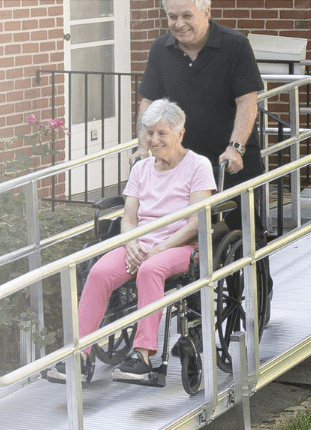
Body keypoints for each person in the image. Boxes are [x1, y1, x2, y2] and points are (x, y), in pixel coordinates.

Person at [48, 99, 216, 382]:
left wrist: (160, 248)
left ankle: (142, 355)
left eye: (162, 133)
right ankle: (80, 356)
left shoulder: (198, 165)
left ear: (180, 133)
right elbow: (128, 219)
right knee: (99, 272)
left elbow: (196, 223)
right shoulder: (141, 168)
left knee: (150, 270)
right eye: (149, 133)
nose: (154, 140)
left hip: (181, 246)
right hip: (140, 245)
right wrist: (131, 244)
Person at [138, 0, 262, 231]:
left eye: (187, 16)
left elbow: (247, 101)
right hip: (181, 162)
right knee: (183, 232)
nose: (179, 24)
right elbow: (148, 101)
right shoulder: (160, 48)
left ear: (207, 12)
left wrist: (235, 147)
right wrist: (144, 146)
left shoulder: (234, 44)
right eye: (172, 17)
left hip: (227, 161)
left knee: (242, 232)